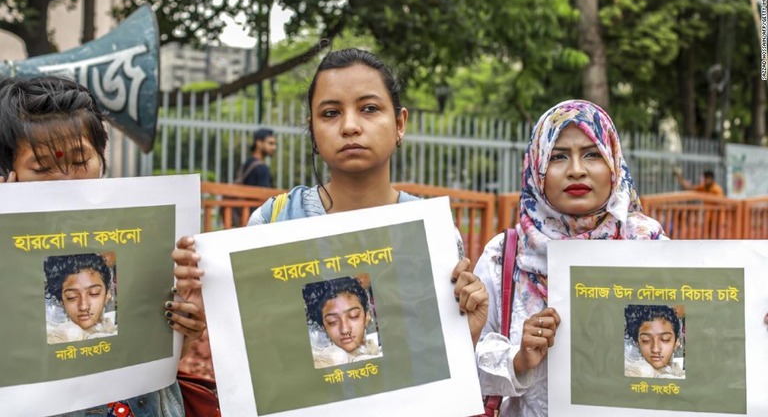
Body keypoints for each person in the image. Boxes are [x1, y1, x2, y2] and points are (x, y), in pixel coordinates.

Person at [173, 48, 488, 357]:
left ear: (400, 123)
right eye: (331, 113)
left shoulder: (434, 235)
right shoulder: (273, 221)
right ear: (313, 128)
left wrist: (466, 335)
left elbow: (432, 365)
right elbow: (255, 357)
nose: (350, 125)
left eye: (369, 108)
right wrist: (197, 318)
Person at [0, 76, 206, 416]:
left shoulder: (146, 231)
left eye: (81, 160)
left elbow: (149, 358)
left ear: (101, 155)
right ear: (10, 173)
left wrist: (185, 331)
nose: (67, 181)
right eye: (42, 167)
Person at [474, 99, 667, 417]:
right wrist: (519, 360)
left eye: (592, 154)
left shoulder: (650, 245)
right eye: (558, 156)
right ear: (537, 167)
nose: (576, 169)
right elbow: (465, 363)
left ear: (613, 164)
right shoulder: (504, 257)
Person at [303, 275, 382, 368]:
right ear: (323, 327)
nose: (344, 329)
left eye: (353, 315)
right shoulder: (322, 362)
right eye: (332, 321)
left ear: (367, 317)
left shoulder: (378, 351)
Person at [44, 253, 118, 344]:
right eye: (72, 297)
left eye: (94, 293)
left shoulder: (115, 329)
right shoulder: (58, 337)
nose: (83, 306)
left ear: (107, 295)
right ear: (62, 301)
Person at [623, 305, 685, 379]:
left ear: (676, 343)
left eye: (665, 339)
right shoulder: (634, 372)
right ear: (637, 343)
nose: (655, 349)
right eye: (646, 340)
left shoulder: (676, 370)